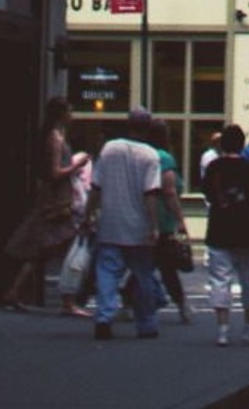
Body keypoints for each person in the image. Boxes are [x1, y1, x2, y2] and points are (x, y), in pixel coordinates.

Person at [1, 97, 87, 312]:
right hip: (58, 201)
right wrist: (78, 165)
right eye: (69, 110)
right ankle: (69, 299)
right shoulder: (55, 138)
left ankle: (15, 290)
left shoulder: (56, 136)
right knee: (71, 247)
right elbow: (54, 172)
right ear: (61, 113)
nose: (72, 115)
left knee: (44, 250)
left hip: (57, 199)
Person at [87, 109, 164, 341]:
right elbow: (150, 194)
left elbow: (96, 186)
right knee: (142, 276)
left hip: (110, 223)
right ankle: (146, 324)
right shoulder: (150, 155)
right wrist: (154, 225)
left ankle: (104, 317)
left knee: (107, 272)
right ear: (148, 127)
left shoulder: (109, 149)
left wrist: (88, 213)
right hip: (138, 226)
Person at [200, 122, 249, 346]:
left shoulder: (213, 168)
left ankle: (222, 330)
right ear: (242, 145)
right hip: (247, 230)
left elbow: (210, 197)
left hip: (219, 229)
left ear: (222, 144)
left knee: (220, 280)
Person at [148, 115, 193, 324]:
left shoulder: (142, 154)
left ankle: (130, 303)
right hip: (163, 219)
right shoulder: (164, 158)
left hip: (143, 217)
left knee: (139, 264)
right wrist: (181, 220)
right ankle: (181, 304)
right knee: (167, 267)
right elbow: (170, 192)